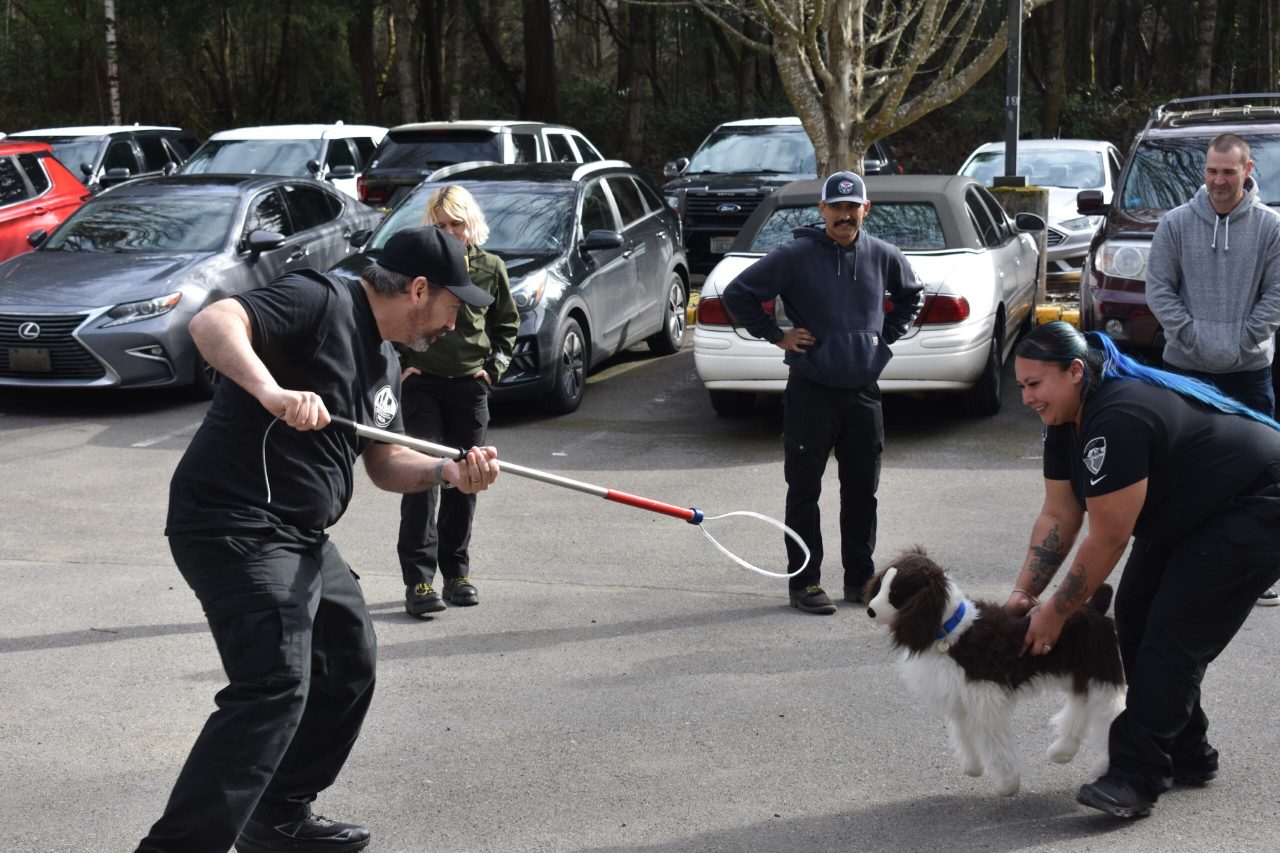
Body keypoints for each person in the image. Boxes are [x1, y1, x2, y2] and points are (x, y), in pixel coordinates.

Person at [136, 226, 500, 853]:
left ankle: (277, 814)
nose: (456, 323)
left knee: (347, 659)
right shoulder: (321, 298)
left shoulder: (385, 359)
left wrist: (448, 473)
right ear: (419, 289)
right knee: (274, 684)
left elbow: (386, 465)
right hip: (233, 521)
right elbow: (212, 324)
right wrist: (271, 391)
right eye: (455, 305)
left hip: (298, 533)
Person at [1006, 321, 1280, 820]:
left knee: (1173, 637)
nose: (1026, 398)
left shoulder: (1117, 416)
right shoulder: (1064, 422)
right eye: (1020, 386)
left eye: (1034, 384)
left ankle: (1135, 775)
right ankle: (1186, 751)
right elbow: (1059, 516)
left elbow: (1108, 537)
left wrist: (1055, 614)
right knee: (1134, 616)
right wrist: (1023, 595)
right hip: (1195, 507)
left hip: (1256, 503)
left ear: (1073, 372)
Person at [721, 170, 923, 614]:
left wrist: (881, 337)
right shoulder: (794, 255)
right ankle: (805, 583)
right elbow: (737, 293)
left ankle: (858, 581)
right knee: (804, 490)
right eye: (837, 207)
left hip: (863, 391)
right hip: (811, 390)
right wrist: (776, 336)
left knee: (861, 490)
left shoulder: (884, 255)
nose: (845, 215)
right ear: (823, 210)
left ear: (865, 210)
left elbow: (912, 297)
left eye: (854, 207)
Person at [1145, 132, 1280, 606]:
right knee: (1180, 465)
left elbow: (1277, 294)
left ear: (1247, 172)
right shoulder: (1176, 224)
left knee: (1263, 469)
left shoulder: (1270, 227)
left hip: (1248, 371)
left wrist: (1240, 341)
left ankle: (1260, 566)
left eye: (1228, 171)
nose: (1219, 180)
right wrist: (1195, 338)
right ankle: (1173, 557)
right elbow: (1159, 289)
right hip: (1185, 369)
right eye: (1211, 171)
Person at [399, 185, 519, 617]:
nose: (450, 231)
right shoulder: (417, 268)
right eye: (441, 224)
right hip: (423, 386)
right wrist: (400, 363)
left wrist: (493, 369)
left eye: (457, 223)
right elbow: (392, 318)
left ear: (472, 225)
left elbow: (507, 325)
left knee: (466, 479)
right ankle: (418, 580)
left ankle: (456, 574)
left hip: (469, 388)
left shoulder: (491, 267)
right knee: (423, 479)